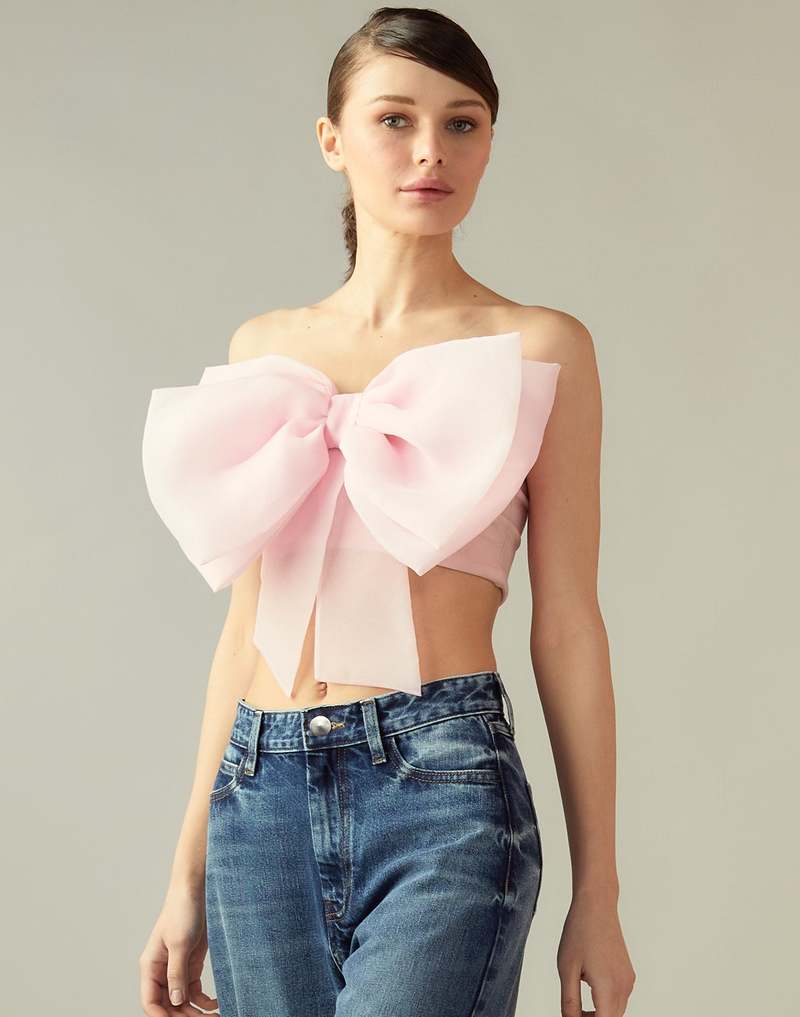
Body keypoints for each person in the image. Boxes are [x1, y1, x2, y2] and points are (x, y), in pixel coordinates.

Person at [138, 7, 635, 1017]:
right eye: (394, 119)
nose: (429, 150)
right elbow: (245, 630)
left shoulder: (539, 349)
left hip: (441, 785)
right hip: (259, 799)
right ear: (332, 140)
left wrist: (599, 893)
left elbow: (568, 624)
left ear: (488, 141)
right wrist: (184, 875)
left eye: (462, 123)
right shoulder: (263, 349)